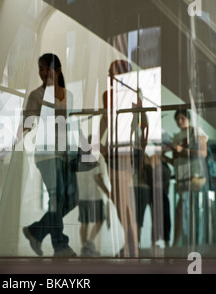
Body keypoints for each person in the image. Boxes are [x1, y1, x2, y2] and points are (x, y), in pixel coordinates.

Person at [22, 53, 78, 257]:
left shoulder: (68, 94)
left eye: (46, 68)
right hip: (46, 153)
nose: (43, 72)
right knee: (57, 197)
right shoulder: (36, 95)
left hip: (66, 154)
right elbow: (26, 123)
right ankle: (60, 245)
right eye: (40, 68)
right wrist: (7, 144)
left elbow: (71, 125)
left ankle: (36, 230)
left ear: (58, 69)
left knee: (72, 199)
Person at [100, 60, 139, 257]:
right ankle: (130, 243)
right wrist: (99, 142)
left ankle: (131, 245)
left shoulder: (132, 94)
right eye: (109, 72)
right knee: (118, 199)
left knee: (123, 200)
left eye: (112, 72)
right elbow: (105, 119)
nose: (110, 76)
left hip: (125, 152)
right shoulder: (108, 95)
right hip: (114, 152)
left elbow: (142, 123)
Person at [162, 109, 208, 247]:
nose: (179, 121)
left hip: (194, 175)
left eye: (182, 118)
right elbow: (176, 160)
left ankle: (186, 243)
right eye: (177, 119)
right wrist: (166, 158)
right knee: (182, 210)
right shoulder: (176, 137)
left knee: (185, 210)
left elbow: (203, 153)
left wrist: (182, 150)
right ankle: (179, 243)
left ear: (188, 118)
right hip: (181, 176)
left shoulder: (196, 132)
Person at [76, 138, 111, 257]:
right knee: (100, 220)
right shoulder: (96, 157)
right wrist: (107, 192)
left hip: (81, 195)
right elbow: (98, 178)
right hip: (94, 196)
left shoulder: (79, 159)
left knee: (84, 223)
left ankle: (84, 248)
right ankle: (89, 243)